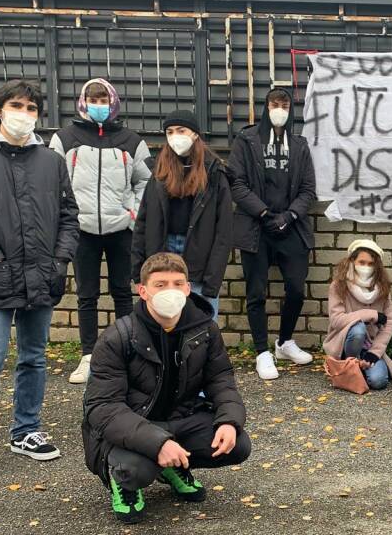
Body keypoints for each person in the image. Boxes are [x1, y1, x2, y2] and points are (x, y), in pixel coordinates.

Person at [0, 79, 80, 487]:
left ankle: (26, 430)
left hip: (41, 277)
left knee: (34, 358)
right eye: (16, 105)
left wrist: (60, 259)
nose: (23, 113)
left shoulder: (51, 160)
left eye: (30, 107)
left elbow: (68, 216)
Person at [82, 253, 250, 524]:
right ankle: (125, 483)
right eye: (160, 285)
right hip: (131, 427)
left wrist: (229, 421)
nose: (170, 291)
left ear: (187, 288)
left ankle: (173, 467)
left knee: (238, 444)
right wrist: (157, 442)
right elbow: (103, 408)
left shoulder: (205, 329)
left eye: (177, 283)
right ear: (143, 291)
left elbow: (221, 379)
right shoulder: (118, 337)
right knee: (134, 470)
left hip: (180, 419)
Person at [50, 78, 152, 384]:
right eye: (93, 98)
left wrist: (132, 214)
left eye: (104, 99)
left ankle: (125, 352)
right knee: (87, 295)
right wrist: (66, 219)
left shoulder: (131, 140)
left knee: (123, 291)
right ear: (82, 102)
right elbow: (54, 183)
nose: (99, 105)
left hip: (120, 229)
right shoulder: (64, 139)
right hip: (81, 230)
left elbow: (145, 181)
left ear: (114, 103)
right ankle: (88, 356)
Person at [230, 88, 316, 380]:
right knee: (256, 292)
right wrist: (264, 214)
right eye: (273, 103)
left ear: (291, 109)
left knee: (295, 288)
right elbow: (237, 184)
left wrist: (289, 216)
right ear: (264, 107)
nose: (279, 108)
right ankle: (261, 352)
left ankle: (284, 342)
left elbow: (308, 189)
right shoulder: (246, 139)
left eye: (284, 104)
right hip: (257, 227)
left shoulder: (299, 145)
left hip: (291, 227)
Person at [131, 110, 232, 319]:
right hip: (163, 249)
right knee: (163, 320)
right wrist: (138, 270)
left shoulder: (213, 171)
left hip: (198, 253)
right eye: (169, 131)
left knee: (201, 323)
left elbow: (224, 231)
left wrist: (212, 281)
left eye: (181, 130)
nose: (175, 136)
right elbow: (143, 221)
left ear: (195, 134)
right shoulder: (160, 170)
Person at [322, 239, 392, 390]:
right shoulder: (338, 286)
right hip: (347, 343)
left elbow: (389, 323)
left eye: (370, 264)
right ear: (352, 261)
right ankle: (349, 363)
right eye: (362, 262)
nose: (366, 267)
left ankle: (358, 368)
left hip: (370, 345)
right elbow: (337, 320)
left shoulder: (382, 287)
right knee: (358, 329)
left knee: (379, 381)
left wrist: (374, 353)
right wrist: (370, 314)